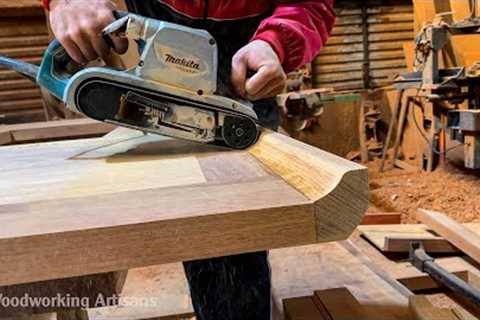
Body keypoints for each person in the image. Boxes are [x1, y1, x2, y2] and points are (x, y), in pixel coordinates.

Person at [42, 1, 335, 319]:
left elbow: (311, 6)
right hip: (166, 85)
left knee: (237, 246)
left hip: (249, 72)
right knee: (208, 248)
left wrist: (275, 43)